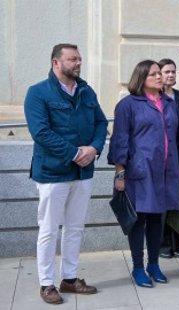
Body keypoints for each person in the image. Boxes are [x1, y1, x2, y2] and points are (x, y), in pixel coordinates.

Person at [25, 43, 106, 304]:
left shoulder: (86, 90)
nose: (78, 63)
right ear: (55, 63)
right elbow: (41, 132)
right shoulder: (38, 93)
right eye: (72, 59)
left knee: (75, 228)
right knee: (49, 229)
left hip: (83, 174)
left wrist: (93, 148)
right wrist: (74, 153)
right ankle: (47, 284)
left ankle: (69, 279)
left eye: (79, 59)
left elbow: (101, 122)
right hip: (52, 172)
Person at [109, 60, 179, 287]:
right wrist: (120, 174)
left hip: (165, 171)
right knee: (139, 220)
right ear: (141, 78)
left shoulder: (170, 103)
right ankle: (138, 267)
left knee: (158, 220)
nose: (160, 77)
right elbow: (120, 140)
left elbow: (176, 137)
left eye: (160, 73)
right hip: (139, 171)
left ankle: (154, 264)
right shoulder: (128, 105)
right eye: (154, 74)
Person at [158, 58, 179, 259]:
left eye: (172, 72)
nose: (170, 75)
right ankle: (163, 245)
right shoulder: (155, 98)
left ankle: (177, 244)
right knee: (162, 204)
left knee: (177, 201)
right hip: (162, 157)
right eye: (166, 72)